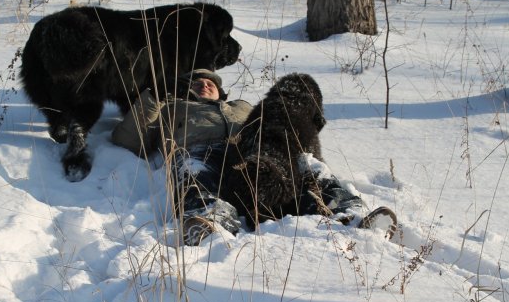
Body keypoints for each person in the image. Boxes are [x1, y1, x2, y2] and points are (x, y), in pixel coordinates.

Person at [111, 69, 397, 245]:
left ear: (221, 91)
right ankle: (211, 223)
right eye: (196, 82)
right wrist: (154, 97)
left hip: (251, 153)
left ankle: (348, 214)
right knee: (192, 170)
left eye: (210, 82)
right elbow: (129, 140)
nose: (203, 84)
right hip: (200, 150)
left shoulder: (243, 107)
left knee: (304, 163)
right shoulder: (173, 108)